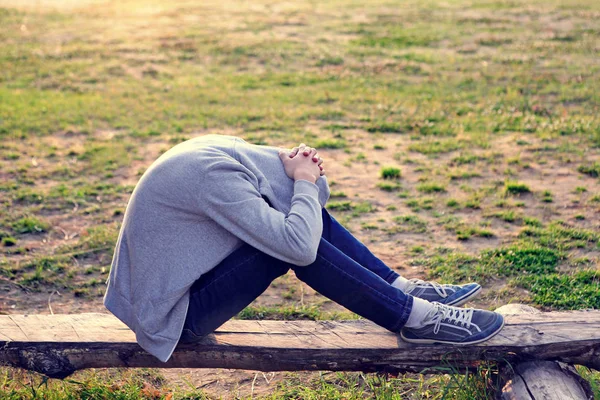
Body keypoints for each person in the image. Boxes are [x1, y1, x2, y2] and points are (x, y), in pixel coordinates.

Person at [103, 134, 504, 363]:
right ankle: (414, 319)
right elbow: (299, 247)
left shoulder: (226, 154)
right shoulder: (219, 176)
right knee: (288, 243)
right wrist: (305, 184)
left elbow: (309, 220)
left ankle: (400, 289)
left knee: (301, 224)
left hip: (171, 293)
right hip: (170, 320)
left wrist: (304, 185)